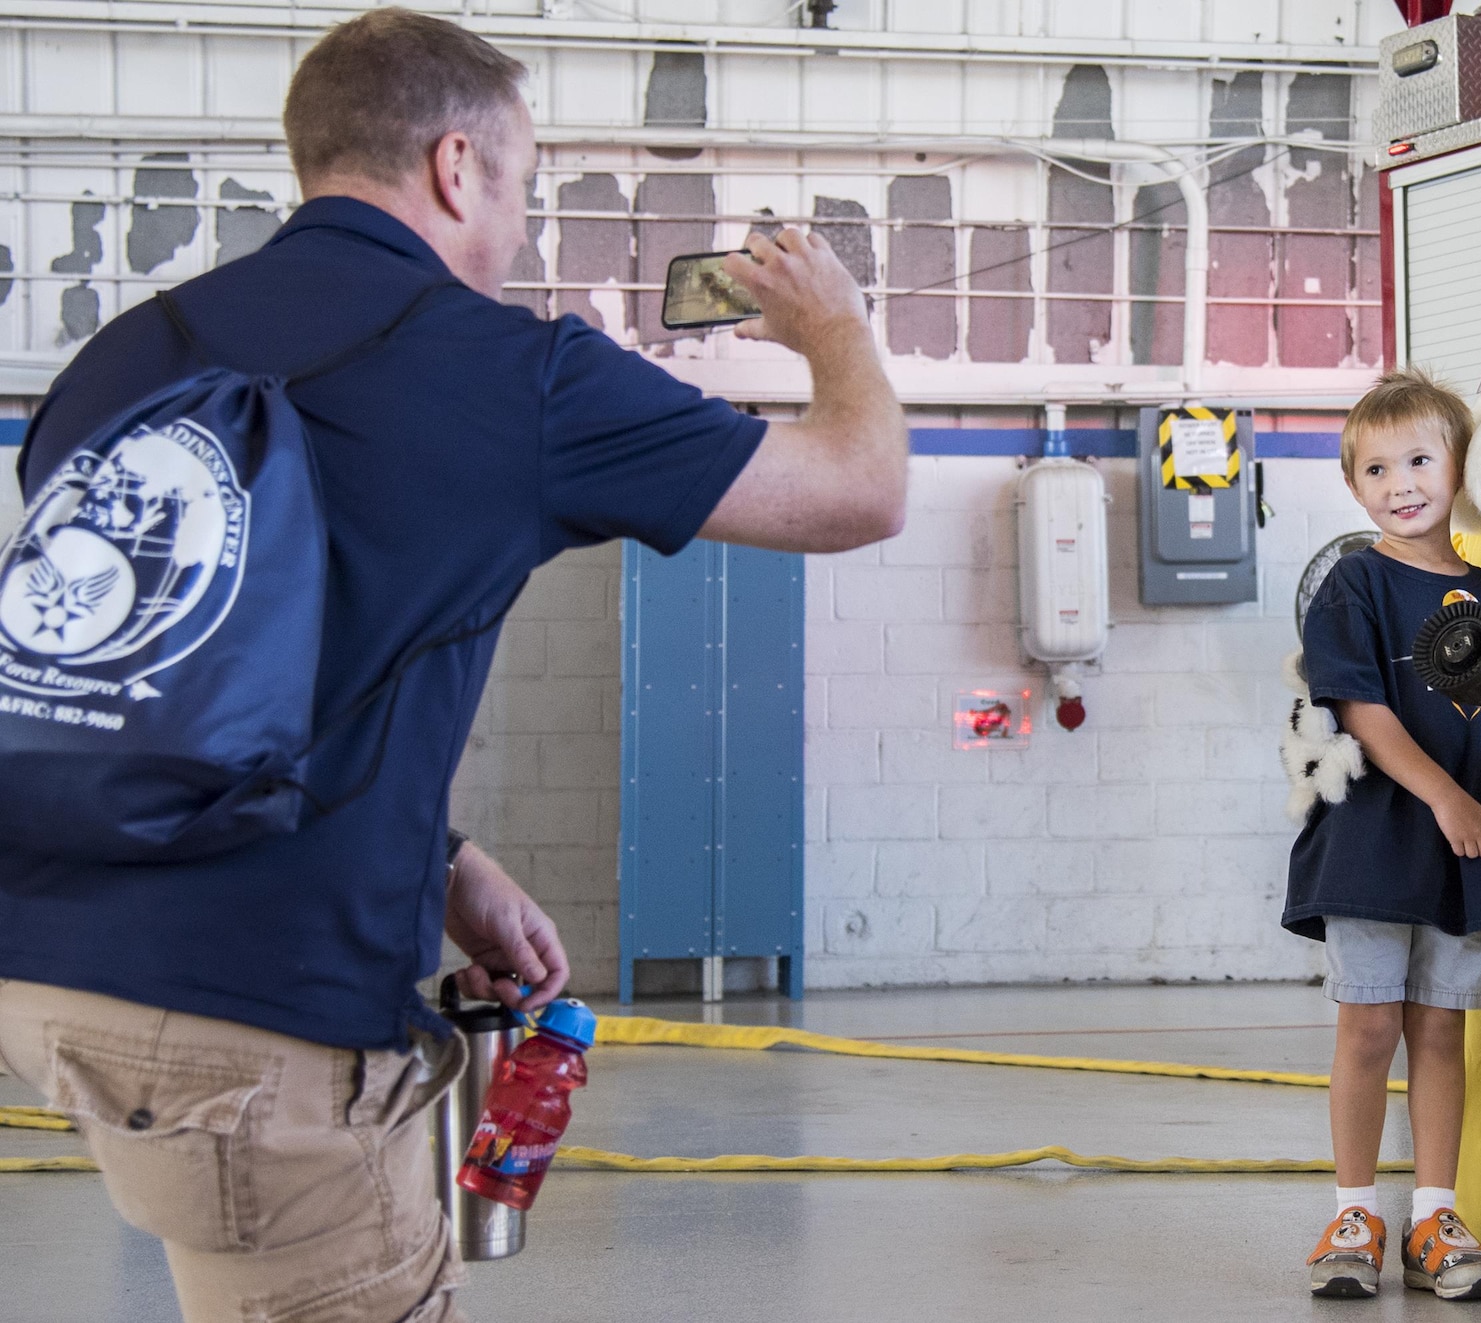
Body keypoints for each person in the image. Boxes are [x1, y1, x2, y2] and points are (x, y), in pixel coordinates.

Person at [0, 9, 904, 1321]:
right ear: (456, 164)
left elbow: (181, 671)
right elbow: (858, 490)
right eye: (524, 189)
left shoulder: (129, 352)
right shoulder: (515, 372)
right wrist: (834, 328)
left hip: (46, 960)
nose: (521, 229)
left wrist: (446, 862)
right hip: (260, 1004)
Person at [1285, 370, 1481, 1302]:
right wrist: (1447, 797)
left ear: (1460, 466)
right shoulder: (1356, 582)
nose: (1402, 481)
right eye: (1377, 468)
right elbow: (1364, 711)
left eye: (1420, 459)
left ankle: (1432, 1215)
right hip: (1377, 844)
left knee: (1440, 1031)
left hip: (1465, 858)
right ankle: (1352, 1213)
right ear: (1355, 486)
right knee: (1370, 1023)